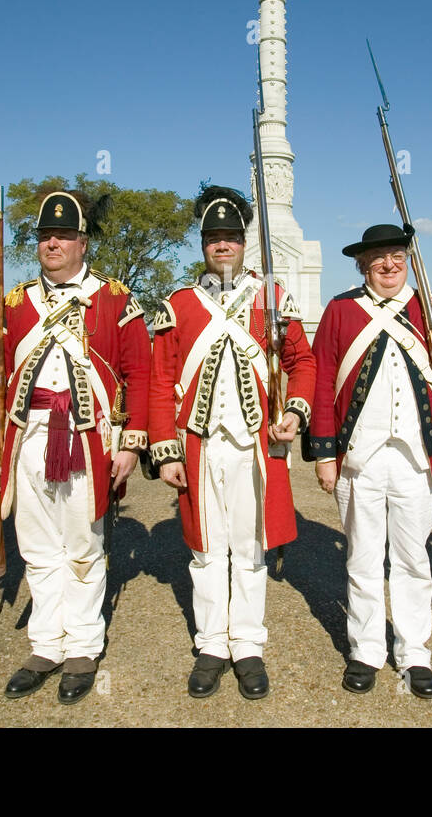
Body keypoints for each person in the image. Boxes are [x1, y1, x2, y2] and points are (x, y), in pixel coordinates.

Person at [0, 190, 150, 706]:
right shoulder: (14, 301)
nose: (52, 243)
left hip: (87, 438)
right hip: (26, 440)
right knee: (37, 547)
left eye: (64, 235)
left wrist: (131, 446)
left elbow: (138, 371)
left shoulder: (115, 298)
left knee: (83, 546)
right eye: (45, 236)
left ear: (82, 242)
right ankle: (45, 646)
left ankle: (83, 647)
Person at [147, 185, 316, 700]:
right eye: (213, 239)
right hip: (198, 446)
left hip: (255, 446)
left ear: (244, 243)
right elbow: (160, 380)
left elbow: (301, 363)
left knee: (249, 548)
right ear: (202, 244)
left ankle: (247, 645)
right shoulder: (178, 303)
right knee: (204, 549)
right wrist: (165, 449)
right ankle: (211, 645)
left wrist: (293, 409)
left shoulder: (272, 298)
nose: (222, 247)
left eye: (231, 239)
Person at [306, 223, 432, 698]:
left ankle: (414, 653)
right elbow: (322, 382)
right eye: (378, 258)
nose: (388, 265)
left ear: (407, 262)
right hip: (358, 458)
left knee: (412, 560)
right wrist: (325, 454)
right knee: (361, 559)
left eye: (396, 257)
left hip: (419, 457)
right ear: (363, 265)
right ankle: (366, 650)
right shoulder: (341, 309)